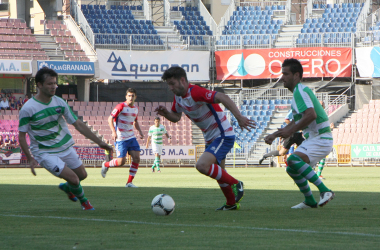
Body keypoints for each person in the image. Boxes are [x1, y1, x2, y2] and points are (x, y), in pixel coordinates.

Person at [157, 66, 255, 211]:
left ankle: (236, 184)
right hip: (210, 137)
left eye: (172, 84)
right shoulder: (178, 98)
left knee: (202, 166)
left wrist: (239, 117)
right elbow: (176, 117)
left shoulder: (195, 92)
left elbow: (223, 97)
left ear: (182, 80)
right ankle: (231, 203)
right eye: (168, 84)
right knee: (220, 173)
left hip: (222, 134)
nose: (170, 88)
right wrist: (166, 114)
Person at [18, 67, 113, 210]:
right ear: (39, 85)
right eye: (50, 83)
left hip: (64, 147)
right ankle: (84, 202)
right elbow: (21, 136)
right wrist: (30, 158)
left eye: (55, 83)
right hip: (45, 152)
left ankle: (67, 188)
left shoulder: (60, 103)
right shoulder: (28, 108)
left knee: (82, 175)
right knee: (74, 179)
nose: (54, 87)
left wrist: (100, 142)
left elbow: (78, 124)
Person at [264, 58, 335, 209]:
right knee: (291, 167)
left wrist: (289, 130)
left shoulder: (300, 92)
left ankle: (325, 191)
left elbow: (311, 115)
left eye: (285, 73)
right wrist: (275, 134)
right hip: (316, 138)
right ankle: (309, 201)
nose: (282, 77)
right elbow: (299, 121)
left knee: (293, 160)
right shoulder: (299, 92)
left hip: (321, 138)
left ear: (296, 75)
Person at [101, 88, 144, 188]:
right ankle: (106, 165)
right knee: (121, 162)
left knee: (137, 158)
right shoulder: (121, 106)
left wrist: (140, 132)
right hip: (121, 137)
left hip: (131, 137)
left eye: (132, 96)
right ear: (126, 97)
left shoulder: (136, 108)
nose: (130, 98)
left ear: (135, 97)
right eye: (129, 96)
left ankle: (129, 183)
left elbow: (135, 121)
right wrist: (113, 131)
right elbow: (110, 118)